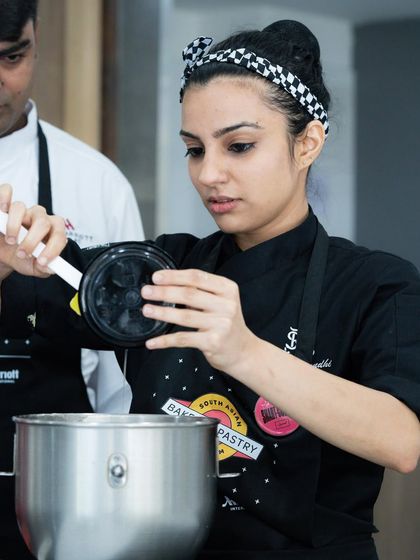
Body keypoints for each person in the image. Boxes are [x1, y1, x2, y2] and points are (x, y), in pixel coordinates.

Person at [1, 19, 420, 560]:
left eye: (239, 146)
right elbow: (56, 286)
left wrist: (243, 351)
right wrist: (13, 260)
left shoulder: (375, 284)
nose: (209, 175)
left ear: (308, 142)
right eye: (194, 150)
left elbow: (402, 440)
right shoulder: (159, 269)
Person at [0, 0, 144, 557]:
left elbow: (123, 372)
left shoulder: (97, 182)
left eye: (13, 57)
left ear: (37, 41)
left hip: (65, 500)